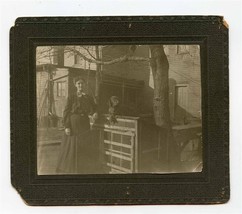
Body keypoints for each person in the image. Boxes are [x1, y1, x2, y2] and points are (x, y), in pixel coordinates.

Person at [56, 77, 98, 174]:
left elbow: (95, 107)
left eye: (82, 83)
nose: (80, 85)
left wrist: (95, 112)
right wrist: (67, 126)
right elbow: (66, 112)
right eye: (78, 83)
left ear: (84, 85)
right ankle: (70, 169)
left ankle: (82, 169)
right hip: (74, 124)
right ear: (75, 85)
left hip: (84, 124)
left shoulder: (88, 97)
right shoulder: (71, 97)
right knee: (72, 146)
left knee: (83, 145)